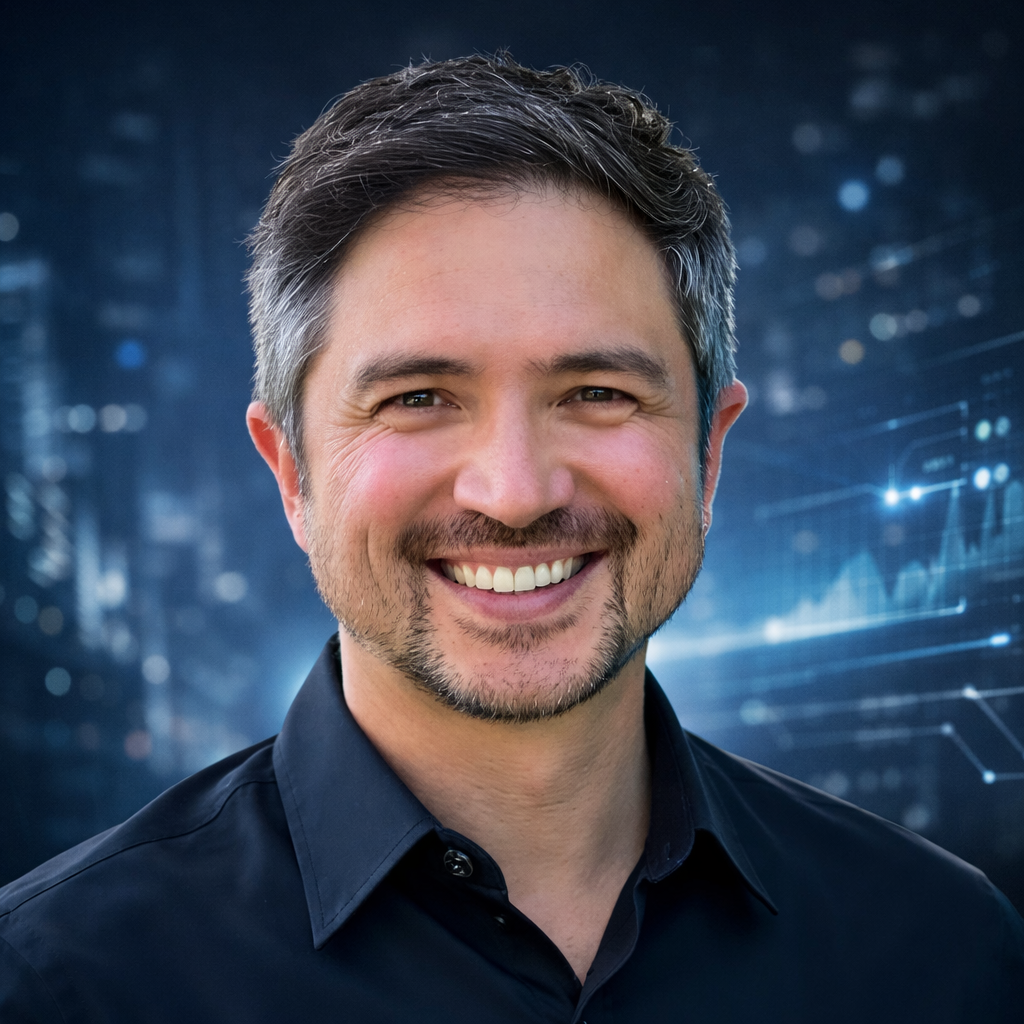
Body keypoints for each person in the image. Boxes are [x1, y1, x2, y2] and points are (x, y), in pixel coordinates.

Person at [1, 53, 1021, 1022]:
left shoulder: (938, 950)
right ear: (291, 473)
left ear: (709, 454)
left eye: (595, 391)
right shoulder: (60, 984)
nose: (517, 490)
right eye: (418, 397)